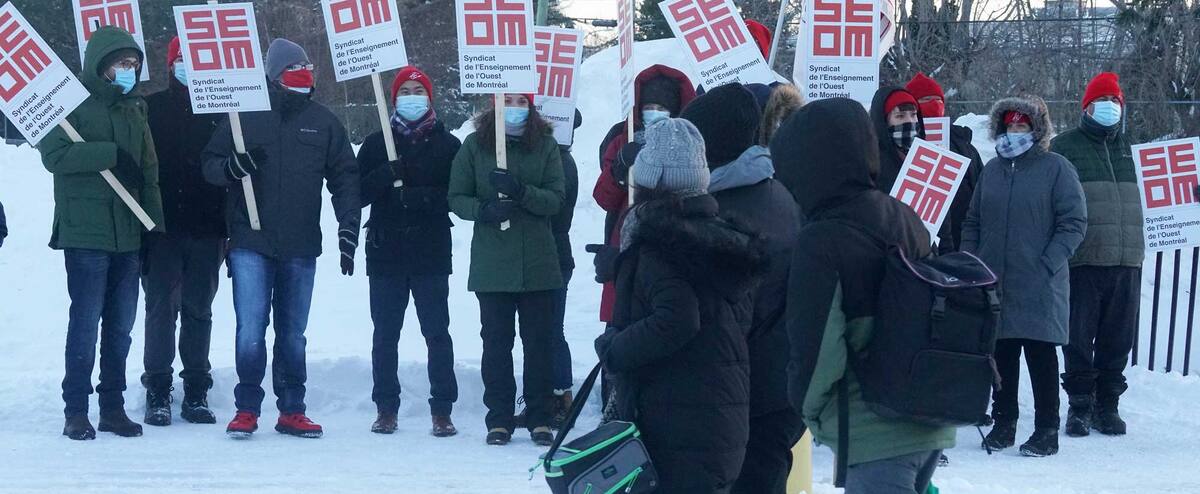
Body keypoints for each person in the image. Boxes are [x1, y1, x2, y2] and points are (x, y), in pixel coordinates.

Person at [776, 98, 956, 493]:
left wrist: (808, 411)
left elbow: (818, 348)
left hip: (875, 429)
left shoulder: (821, 239)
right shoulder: (903, 216)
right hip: (925, 415)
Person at [595, 118, 765, 493]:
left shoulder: (663, 246)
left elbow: (677, 319)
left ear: (652, 180)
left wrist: (614, 349)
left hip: (677, 430)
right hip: (719, 422)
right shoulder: (721, 241)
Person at [202, 38, 361, 439]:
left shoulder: (323, 121)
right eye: (295, 65)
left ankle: (292, 409)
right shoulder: (245, 116)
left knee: (293, 332)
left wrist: (348, 225)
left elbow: (345, 177)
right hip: (251, 242)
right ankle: (247, 407)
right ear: (274, 75)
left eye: (307, 64)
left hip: (301, 244)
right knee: (251, 329)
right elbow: (209, 164)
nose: (304, 70)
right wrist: (232, 167)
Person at [38, 26, 164, 440]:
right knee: (86, 323)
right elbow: (55, 155)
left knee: (121, 327)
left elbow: (148, 170)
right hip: (85, 233)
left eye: (134, 64)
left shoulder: (135, 108)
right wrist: (108, 155)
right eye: (120, 63)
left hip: (128, 232)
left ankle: (112, 406)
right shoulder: (68, 103)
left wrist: (153, 225)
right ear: (100, 64)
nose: (127, 70)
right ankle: (76, 409)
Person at [680, 84, 804, 494]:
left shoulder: (722, 213)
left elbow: (700, 318)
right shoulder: (777, 192)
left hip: (742, 396)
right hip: (774, 392)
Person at [963, 95, 1087, 457]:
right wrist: (974, 261)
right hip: (995, 280)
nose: (1015, 132)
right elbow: (973, 221)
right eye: (1010, 125)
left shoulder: (1056, 168)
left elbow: (1074, 222)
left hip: (1039, 282)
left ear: (1036, 129)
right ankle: (1004, 424)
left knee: (1040, 354)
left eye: (1022, 126)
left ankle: (1047, 430)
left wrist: (1048, 261)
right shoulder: (992, 170)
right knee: (1001, 355)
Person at [448, 94, 564, 447]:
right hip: (493, 265)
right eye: (507, 100)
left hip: (538, 265)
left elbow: (557, 198)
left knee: (539, 344)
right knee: (496, 345)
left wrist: (522, 192)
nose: (514, 106)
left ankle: (539, 417)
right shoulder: (474, 145)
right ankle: (498, 419)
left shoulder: (545, 145)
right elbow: (456, 196)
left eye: (520, 100)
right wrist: (482, 210)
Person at [357, 66, 460, 437]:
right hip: (385, 250)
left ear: (429, 97)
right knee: (385, 333)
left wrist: (419, 197)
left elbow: (456, 194)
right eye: (406, 91)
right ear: (394, 97)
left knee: (437, 332)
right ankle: (386, 407)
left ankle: (442, 408)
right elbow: (356, 193)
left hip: (430, 249)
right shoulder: (376, 143)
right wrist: (384, 175)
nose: (412, 96)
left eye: (419, 90)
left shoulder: (449, 145)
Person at [1051, 72, 1142, 437]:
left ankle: (1108, 404)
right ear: (1085, 107)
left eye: (1115, 102)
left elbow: (1165, 197)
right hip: (1082, 259)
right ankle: (1079, 405)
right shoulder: (1064, 147)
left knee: (1118, 338)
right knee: (1076, 336)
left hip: (1126, 259)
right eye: (1101, 102)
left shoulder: (1134, 150)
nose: (1109, 108)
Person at [140, 36, 225, 427]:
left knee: (198, 309)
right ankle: (157, 387)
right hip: (162, 227)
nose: (186, 67)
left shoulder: (223, 110)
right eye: (180, 60)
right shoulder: (151, 107)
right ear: (170, 65)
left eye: (194, 60)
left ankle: (196, 388)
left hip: (209, 227)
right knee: (160, 309)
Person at [905, 72, 985, 251]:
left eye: (938, 100)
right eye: (925, 100)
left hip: (960, 243)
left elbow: (981, 194)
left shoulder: (964, 146)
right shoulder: (900, 146)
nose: (934, 105)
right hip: (914, 246)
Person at [549, 109, 582, 428]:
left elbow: (557, 210)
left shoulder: (561, 162)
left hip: (555, 256)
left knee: (550, 329)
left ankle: (562, 397)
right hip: (549, 256)